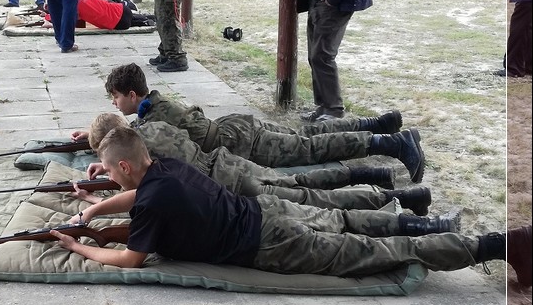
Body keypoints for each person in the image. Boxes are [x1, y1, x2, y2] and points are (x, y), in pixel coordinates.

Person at [50, 126, 531, 289]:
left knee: (371, 253)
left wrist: (80, 247)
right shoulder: (166, 168)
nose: (108, 179)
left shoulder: (153, 200)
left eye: (109, 171)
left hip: (269, 243)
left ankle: (496, 245)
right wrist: (92, 213)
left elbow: (130, 260)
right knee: (346, 221)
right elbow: (138, 196)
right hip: (266, 212)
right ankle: (423, 219)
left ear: (126, 167)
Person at [88, 63, 425, 183]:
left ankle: (393, 143)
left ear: (131, 95)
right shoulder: (155, 102)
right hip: (238, 128)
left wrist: (101, 143)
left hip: (243, 143)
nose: (115, 103)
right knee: (307, 135)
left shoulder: (151, 120)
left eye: (115, 97)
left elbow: (128, 144)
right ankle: (378, 124)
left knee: (311, 148)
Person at [78, 112, 440, 218]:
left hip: (232, 179)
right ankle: (380, 164)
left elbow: (140, 187)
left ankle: (388, 155)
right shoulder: (150, 129)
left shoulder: (141, 152)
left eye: (109, 164)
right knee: (305, 171)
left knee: (311, 190)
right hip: (229, 160)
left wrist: (96, 204)